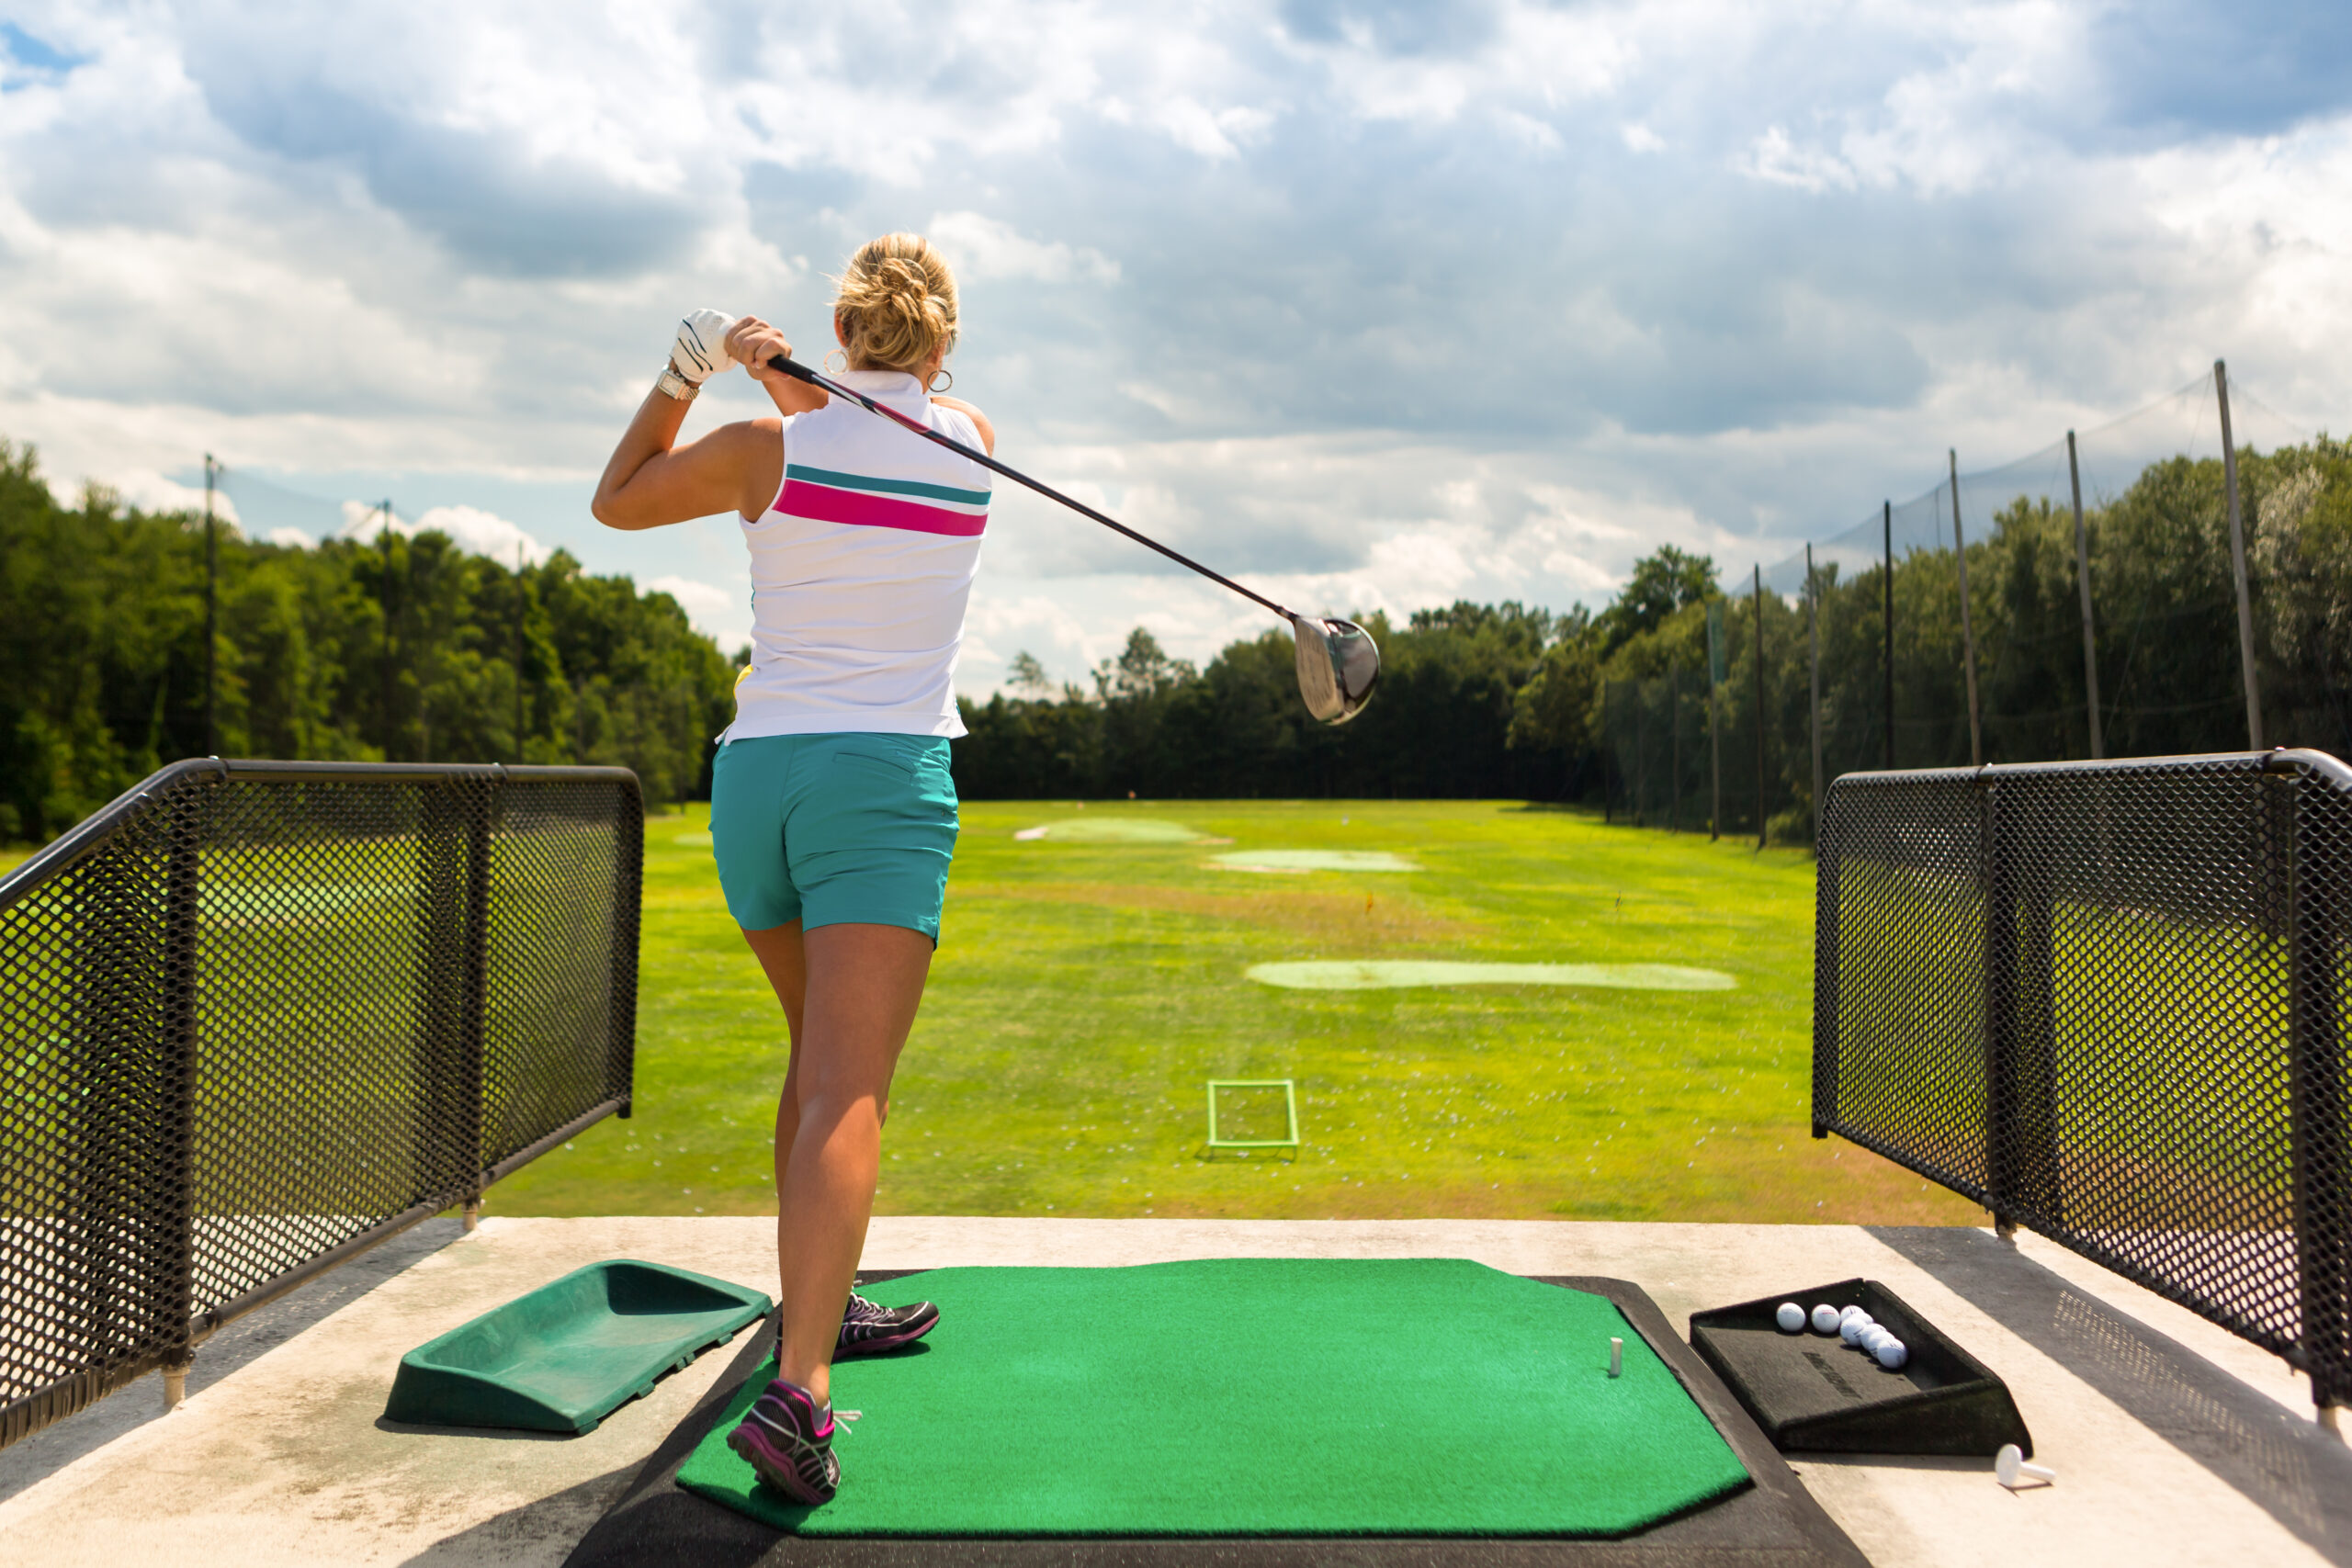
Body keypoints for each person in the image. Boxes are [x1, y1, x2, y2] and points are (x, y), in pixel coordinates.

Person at [591, 233, 994, 1505]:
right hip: (880, 784)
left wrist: (700, 362)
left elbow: (621, 497)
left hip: (758, 784)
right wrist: (789, 378)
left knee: (817, 1067)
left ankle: (818, 1305)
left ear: (839, 337)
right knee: (846, 1090)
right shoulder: (974, 439)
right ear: (938, 346)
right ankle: (803, 1393)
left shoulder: (772, 446)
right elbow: (868, 426)